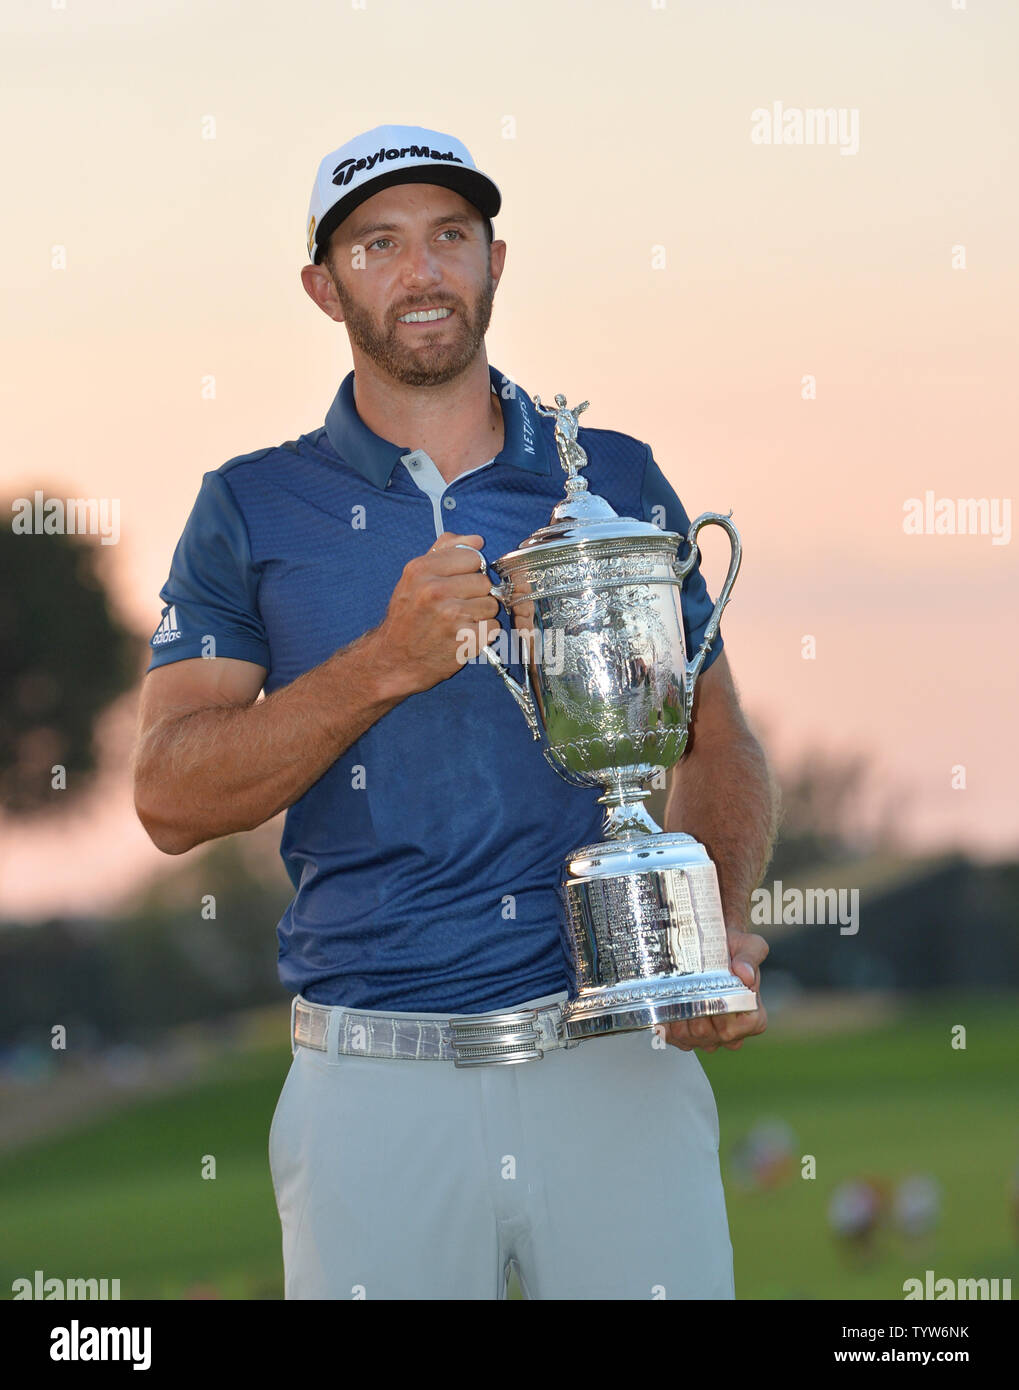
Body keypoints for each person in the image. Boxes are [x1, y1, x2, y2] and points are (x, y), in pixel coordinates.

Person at [132, 123, 779, 1300]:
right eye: (378, 245)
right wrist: (379, 662)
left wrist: (710, 932)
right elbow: (169, 794)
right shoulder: (249, 504)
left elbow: (713, 736)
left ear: (493, 262)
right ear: (324, 289)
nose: (420, 271)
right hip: (374, 1088)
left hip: (614, 1064)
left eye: (448, 237)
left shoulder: (609, 478)